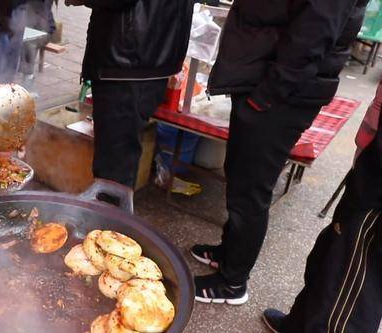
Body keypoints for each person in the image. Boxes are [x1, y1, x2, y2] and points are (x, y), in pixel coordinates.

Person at [190, 0, 369, 304]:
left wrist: (267, 95)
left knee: (251, 191)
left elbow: (312, 36)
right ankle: (229, 252)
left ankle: (233, 282)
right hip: (263, 79)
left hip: (280, 94)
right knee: (240, 177)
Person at [262, 81, 382, 333]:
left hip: (376, 198)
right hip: (369, 171)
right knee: (327, 259)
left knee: (349, 295)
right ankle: (296, 325)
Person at [65, 0, 193, 189]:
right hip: (146, 59)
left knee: (113, 173)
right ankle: (109, 213)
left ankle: (108, 216)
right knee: (119, 161)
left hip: (129, 61)